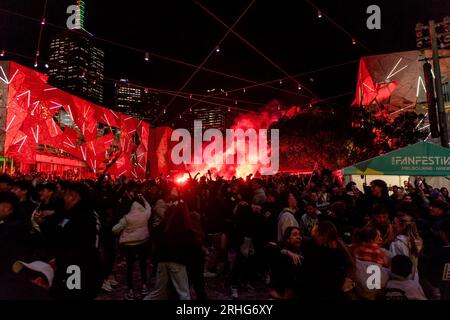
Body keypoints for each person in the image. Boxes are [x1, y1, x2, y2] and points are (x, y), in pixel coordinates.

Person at [49, 183, 102, 300]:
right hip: (67, 263)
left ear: (74, 197)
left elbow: (82, 247)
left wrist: (60, 259)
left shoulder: (84, 217)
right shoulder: (70, 213)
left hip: (76, 268)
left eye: (67, 195)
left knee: (73, 294)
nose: (64, 198)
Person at [145, 200, 198, 300]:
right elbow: (191, 246)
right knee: (184, 294)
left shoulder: (164, 225)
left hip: (162, 260)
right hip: (177, 261)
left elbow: (154, 236)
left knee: (158, 293)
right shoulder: (185, 227)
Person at [112, 188, 152, 300]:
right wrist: (143, 198)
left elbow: (115, 229)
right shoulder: (145, 214)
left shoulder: (127, 218)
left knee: (129, 268)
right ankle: (144, 286)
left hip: (129, 245)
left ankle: (130, 291)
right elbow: (149, 207)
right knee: (142, 265)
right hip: (143, 242)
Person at [298, 221, 350, 300]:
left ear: (319, 233)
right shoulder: (338, 250)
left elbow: (308, 279)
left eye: (315, 228)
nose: (312, 229)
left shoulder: (318, 254)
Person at [350, 226, 390, 300]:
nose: (381, 239)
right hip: (374, 287)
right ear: (371, 240)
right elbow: (388, 265)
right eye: (378, 238)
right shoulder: (379, 252)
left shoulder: (353, 248)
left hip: (358, 286)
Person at [267, 226, 303, 299]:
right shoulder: (283, 256)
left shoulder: (301, 251)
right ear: (287, 239)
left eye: (299, 234)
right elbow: (270, 246)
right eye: (295, 234)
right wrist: (286, 252)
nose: (299, 237)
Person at [390, 213, 423, 282]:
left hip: (401, 280)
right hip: (414, 278)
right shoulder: (415, 241)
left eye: (394, 223)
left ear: (403, 226)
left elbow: (397, 264)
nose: (392, 225)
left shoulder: (397, 243)